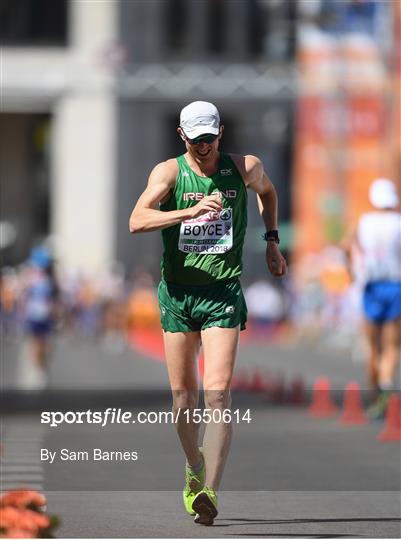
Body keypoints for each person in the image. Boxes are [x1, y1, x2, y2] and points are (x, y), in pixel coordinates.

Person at [129, 101, 287, 525]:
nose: (203, 146)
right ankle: (193, 467)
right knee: (184, 400)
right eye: (195, 139)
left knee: (217, 394)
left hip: (222, 293)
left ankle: (210, 493)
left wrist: (272, 241)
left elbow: (269, 192)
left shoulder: (244, 168)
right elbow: (137, 219)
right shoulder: (168, 172)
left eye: (209, 139)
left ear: (220, 135)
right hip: (178, 295)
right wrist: (187, 212)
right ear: (182, 136)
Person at [343, 178, 401, 419]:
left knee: (373, 346)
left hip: (370, 286)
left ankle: (376, 394)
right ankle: (387, 382)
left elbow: (345, 246)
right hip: (395, 285)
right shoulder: (398, 222)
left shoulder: (363, 222)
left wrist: (352, 273)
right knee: (392, 346)